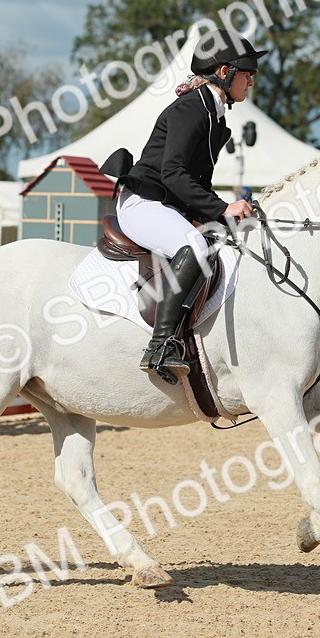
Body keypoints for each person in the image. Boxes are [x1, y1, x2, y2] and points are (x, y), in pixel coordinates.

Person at [112, 28, 267, 379]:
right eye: (248, 74)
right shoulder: (191, 109)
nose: (251, 83)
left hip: (168, 204)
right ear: (224, 72)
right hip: (143, 202)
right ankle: (161, 345)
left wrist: (219, 214)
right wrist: (222, 208)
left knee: (216, 240)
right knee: (194, 244)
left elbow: (196, 184)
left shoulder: (212, 113)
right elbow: (173, 174)